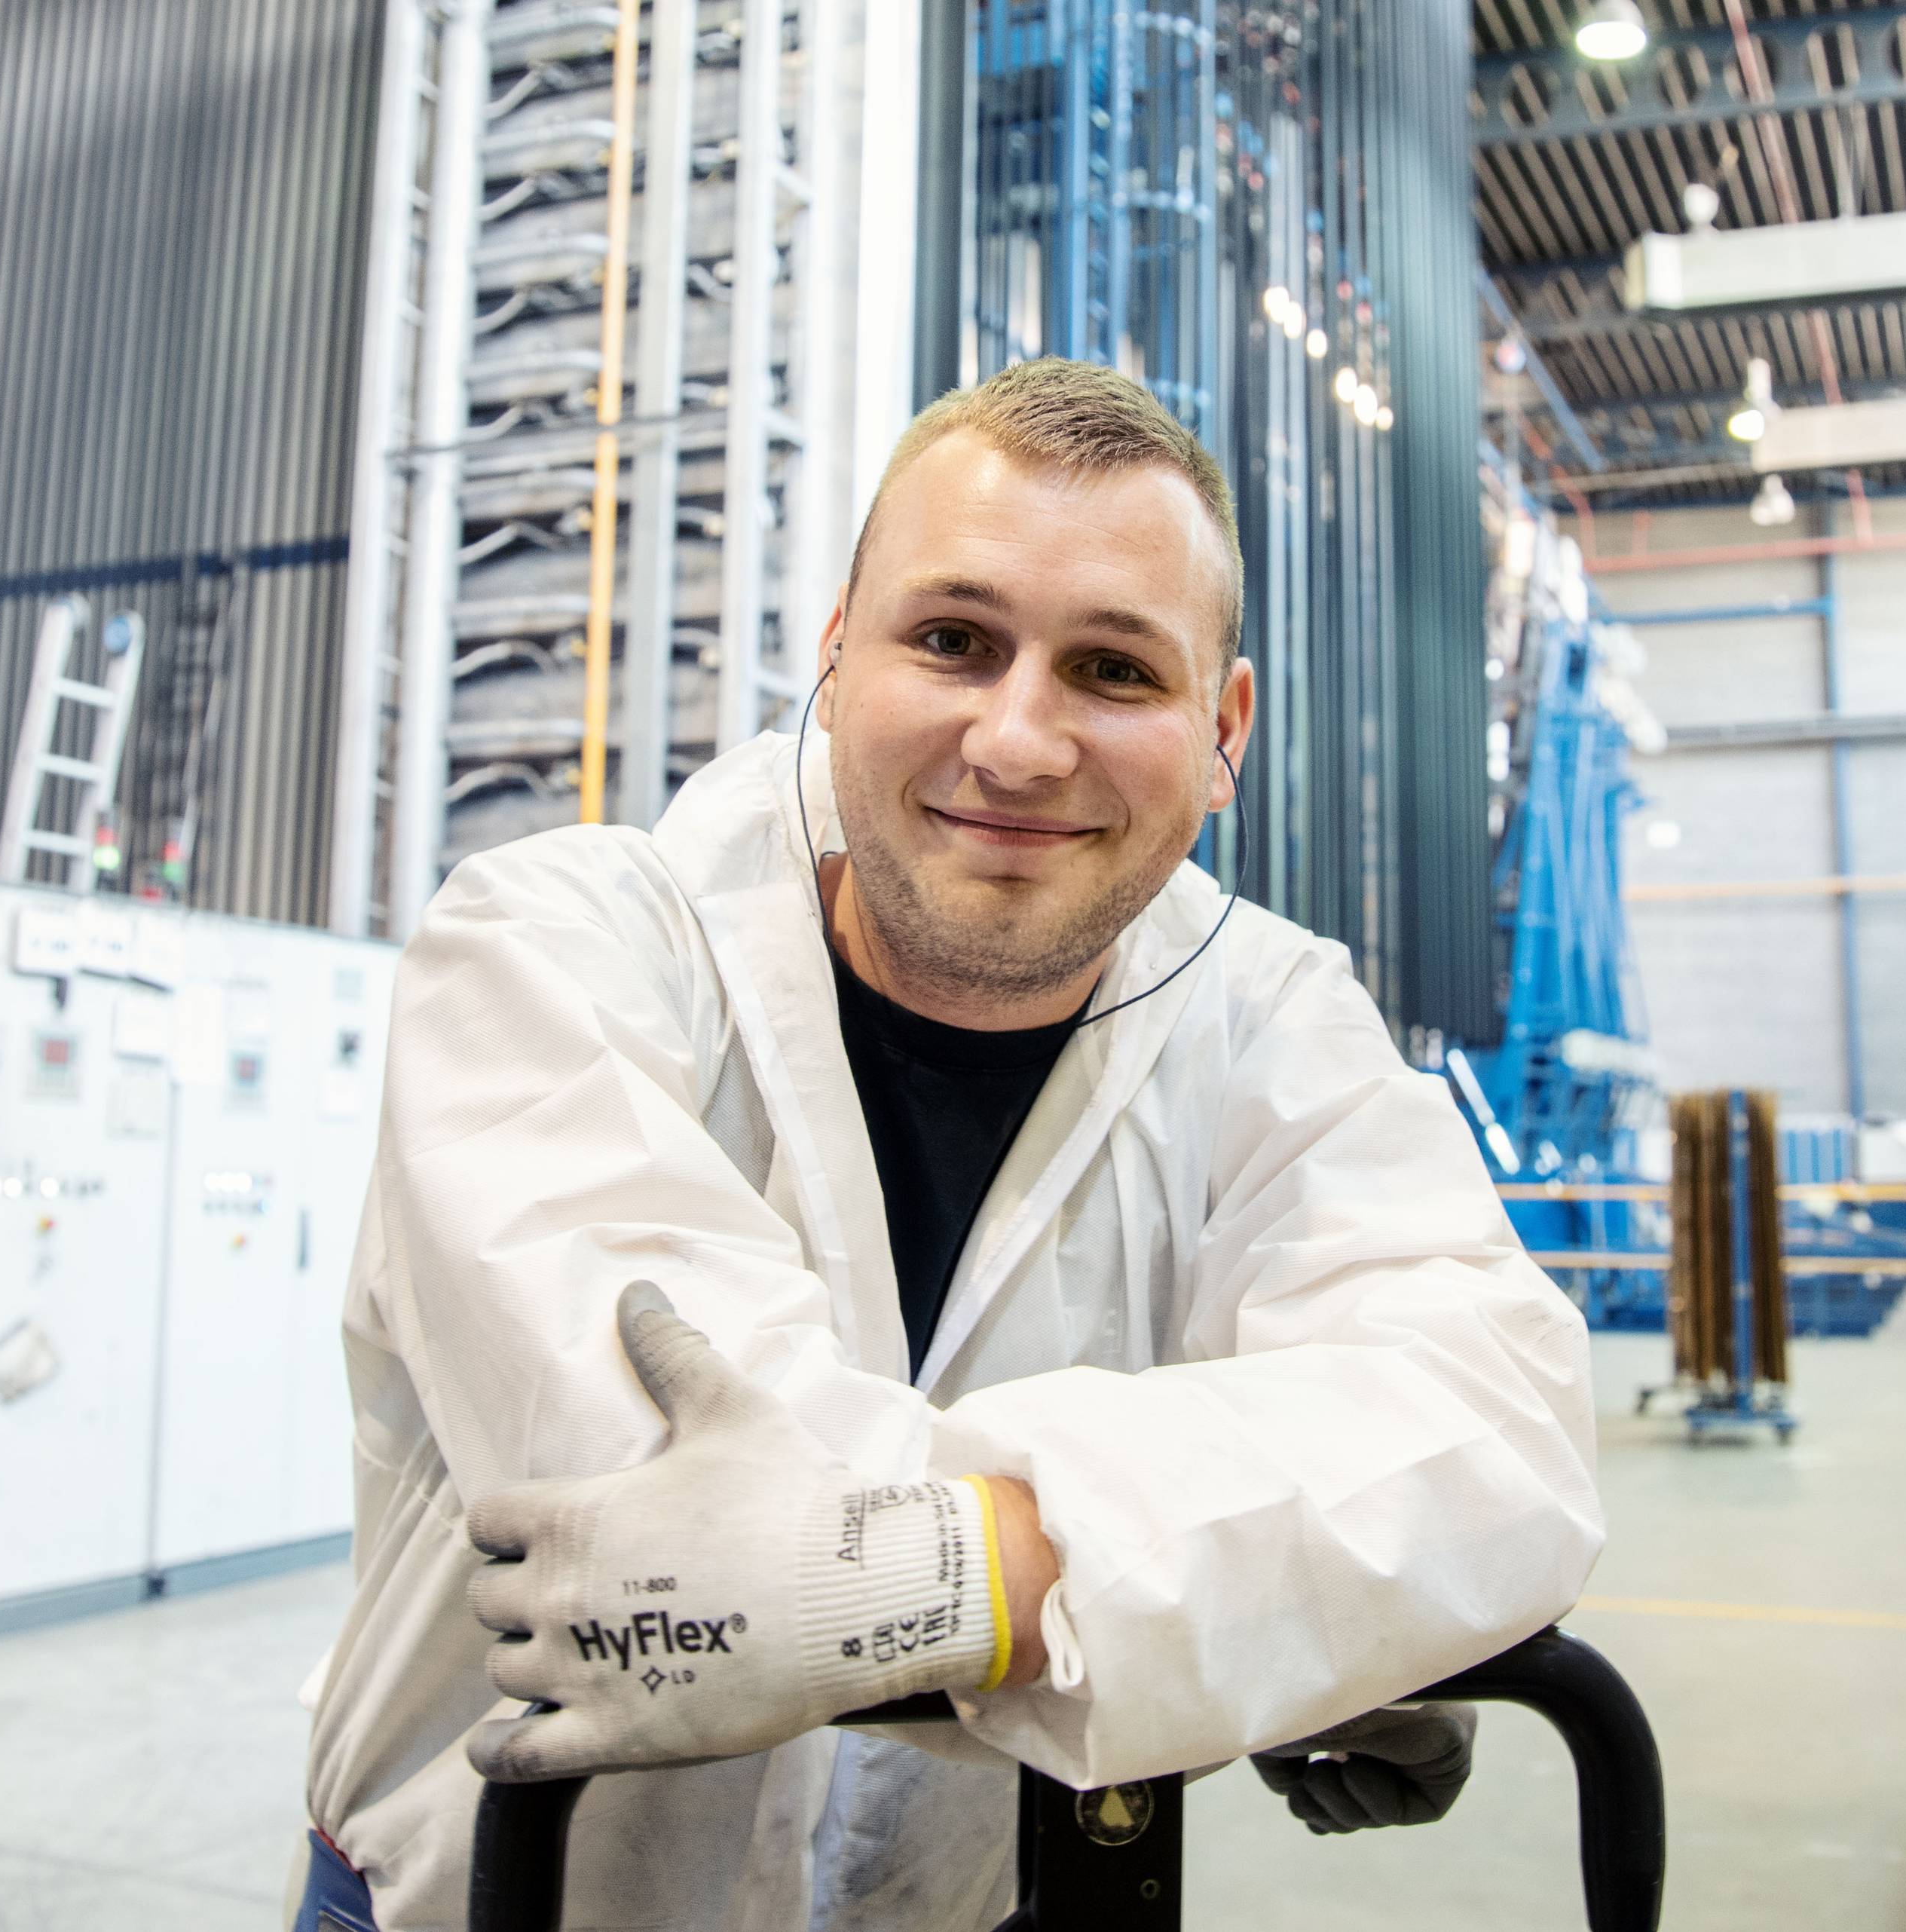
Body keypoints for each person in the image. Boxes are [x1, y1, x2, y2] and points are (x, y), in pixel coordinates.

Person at [294, 358, 1602, 1931]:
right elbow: (665, 1526)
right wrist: (1267, 1583)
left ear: (1223, 724)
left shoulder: (1266, 1016)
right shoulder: (554, 949)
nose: (1019, 741)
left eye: (1115, 670)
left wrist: (956, 1571)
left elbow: (1498, 1442)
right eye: (953, 641)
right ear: (840, 654)